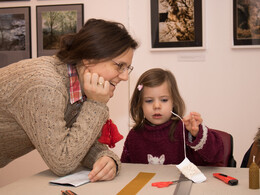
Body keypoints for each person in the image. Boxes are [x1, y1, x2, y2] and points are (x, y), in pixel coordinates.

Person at [0, 18, 138, 182]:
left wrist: (106, 159)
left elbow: (79, 143)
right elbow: (62, 163)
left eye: (127, 68)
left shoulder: (76, 82)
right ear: (88, 59)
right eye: (119, 66)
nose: (124, 77)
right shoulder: (47, 86)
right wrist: (96, 104)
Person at [121, 68, 224, 166]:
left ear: (174, 102)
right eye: (149, 101)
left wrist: (197, 134)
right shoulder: (134, 135)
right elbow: (126, 169)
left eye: (164, 100)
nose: (157, 106)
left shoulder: (185, 131)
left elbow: (216, 156)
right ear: (139, 104)